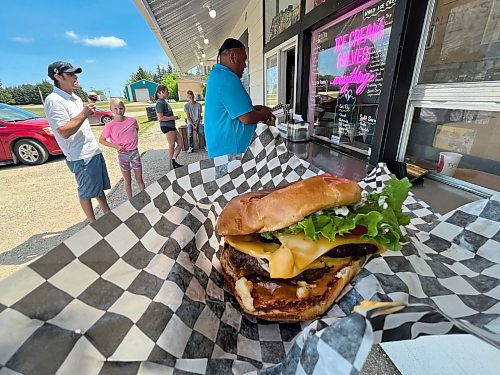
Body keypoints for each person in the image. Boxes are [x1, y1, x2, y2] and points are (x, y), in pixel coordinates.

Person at [44, 61, 111, 223]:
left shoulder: (75, 98)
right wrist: (84, 114)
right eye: (71, 74)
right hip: (79, 155)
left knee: (98, 186)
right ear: (58, 77)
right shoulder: (54, 100)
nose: (75, 77)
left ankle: (108, 214)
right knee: (86, 191)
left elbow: (80, 122)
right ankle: (93, 223)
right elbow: (64, 131)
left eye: (75, 73)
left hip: (91, 150)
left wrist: (87, 112)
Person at [204, 38, 275, 158]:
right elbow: (247, 118)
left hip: (224, 150)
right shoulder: (227, 78)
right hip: (231, 154)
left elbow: (234, 111)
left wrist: (255, 108)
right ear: (233, 56)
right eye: (243, 60)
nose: (245, 65)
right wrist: (264, 114)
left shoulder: (218, 75)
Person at [99, 99, 145, 200]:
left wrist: (132, 140)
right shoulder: (109, 126)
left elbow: (136, 129)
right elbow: (101, 140)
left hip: (134, 152)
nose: (119, 111)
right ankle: (130, 200)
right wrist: (116, 146)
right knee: (127, 180)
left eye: (121, 108)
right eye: (115, 109)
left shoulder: (132, 120)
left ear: (124, 108)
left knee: (139, 178)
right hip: (122, 155)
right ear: (111, 110)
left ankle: (145, 197)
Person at [155, 85, 183, 168]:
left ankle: (173, 160)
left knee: (180, 143)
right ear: (162, 92)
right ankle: (172, 164)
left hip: (171, 126)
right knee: (171, 144)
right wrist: (174, 117)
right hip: (167, 126)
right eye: (167, 91)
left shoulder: (163, 101)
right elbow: (160, 118)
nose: (168, 93)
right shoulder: (159, 103)